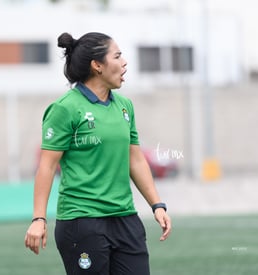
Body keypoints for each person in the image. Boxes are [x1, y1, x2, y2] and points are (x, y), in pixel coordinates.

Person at [24, 32, 171, 274]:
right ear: (97, 65)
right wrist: (39, 219)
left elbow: (135, 159)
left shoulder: (125, 106)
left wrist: (157, 204)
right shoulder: (65, 109)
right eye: (118, 56)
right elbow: (47, 167)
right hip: (82, 222)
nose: (124, 63)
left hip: (125, 219)